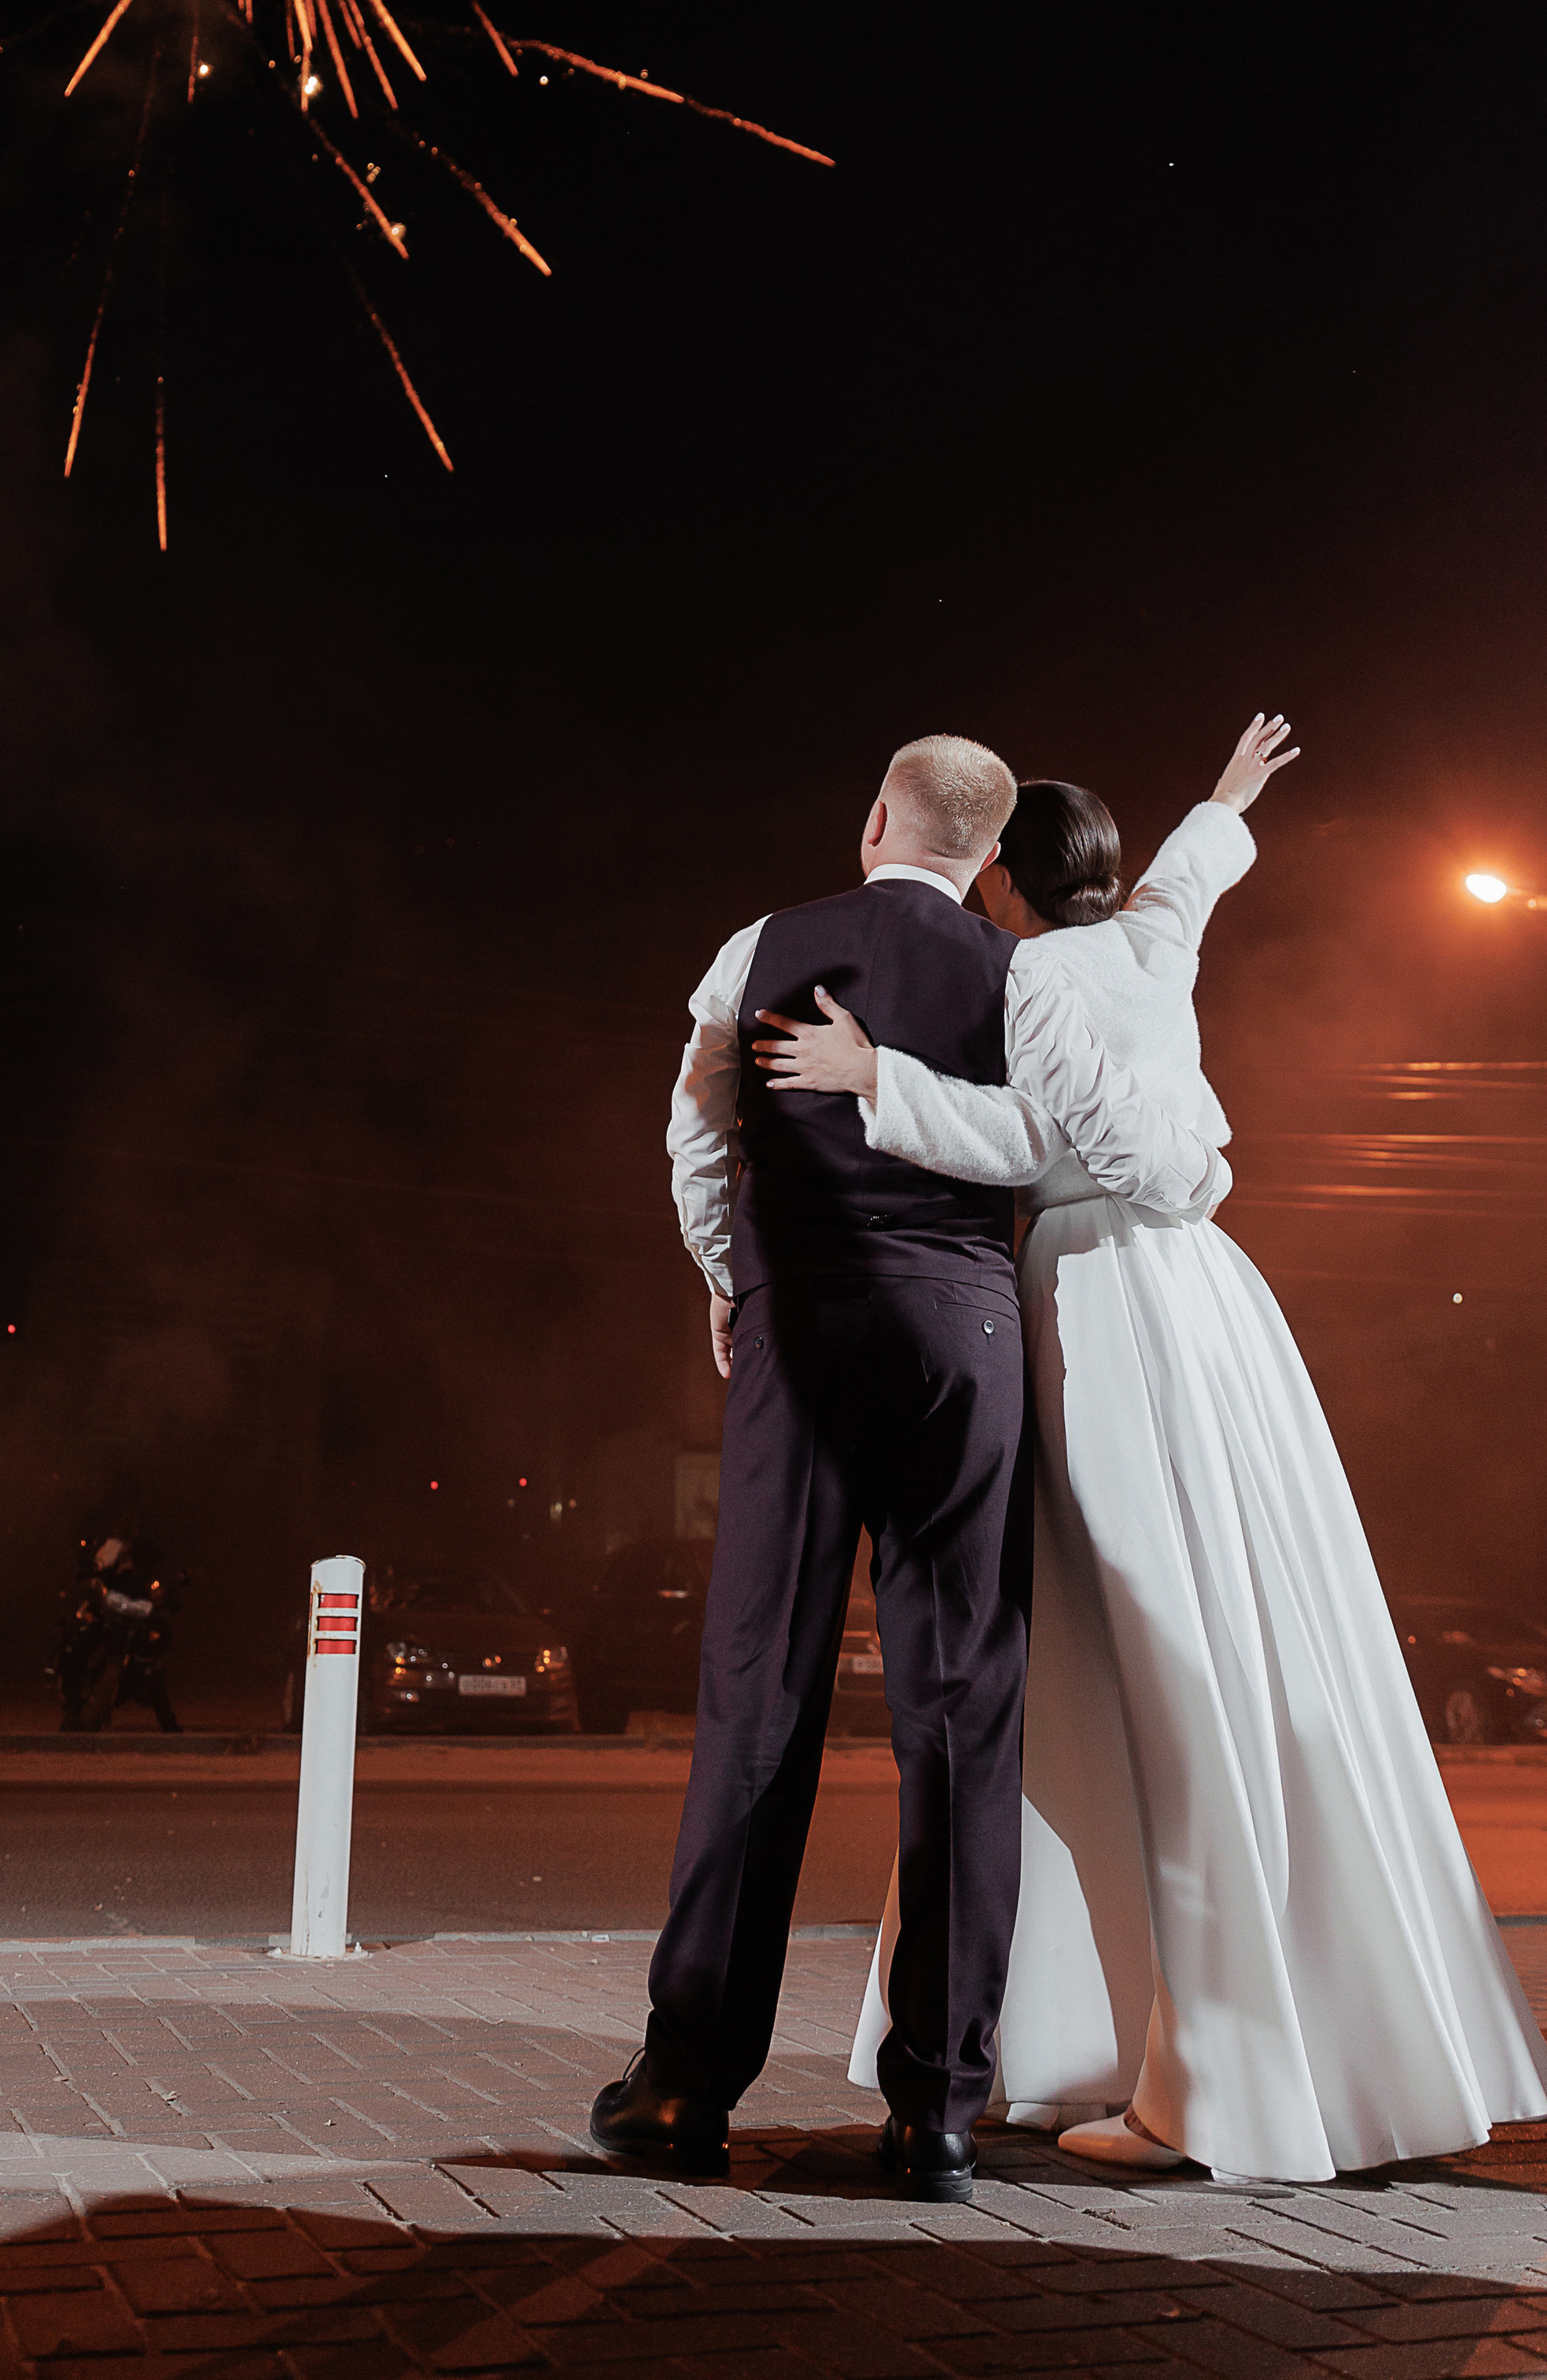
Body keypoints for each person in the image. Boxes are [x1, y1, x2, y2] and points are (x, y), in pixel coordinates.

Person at [756, 718, 1547, 2180]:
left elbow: (1059, 1138)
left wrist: (879, 1080)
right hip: (1208, 1303)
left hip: (1106, 1297)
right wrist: (1224, 805)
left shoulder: (1043, 969)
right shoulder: (1142, 944)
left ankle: (1200, 2075)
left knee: (1134, 1651)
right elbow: (1190, 891)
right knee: (1202, 1635)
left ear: (1000, 874)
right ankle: (1138, 2035)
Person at [587, 733, 1232, 2202]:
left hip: (802, 1335)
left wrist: (723, 1272)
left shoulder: (760, 944)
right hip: (962, 1342)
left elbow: (699, 1125)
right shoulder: (1024, 978)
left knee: (760, 1695)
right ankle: (934, 2109)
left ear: (875, 814)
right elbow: (1080, 1142)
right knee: (962, 1716)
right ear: (987, 855)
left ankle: (686, 2087)